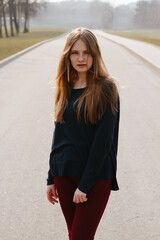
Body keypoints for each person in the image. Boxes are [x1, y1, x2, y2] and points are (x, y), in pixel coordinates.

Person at [46, 27, 120, 240]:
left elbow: (103, 142)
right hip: (64, 175)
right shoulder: (66, 86)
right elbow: (59, 133)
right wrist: (51, 177)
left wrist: (85, 186)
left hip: (94, 179)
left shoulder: (107, 88)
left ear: (94, 55)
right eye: (75, 53)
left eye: (86, 52)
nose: (80, 58)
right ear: (67, 55)